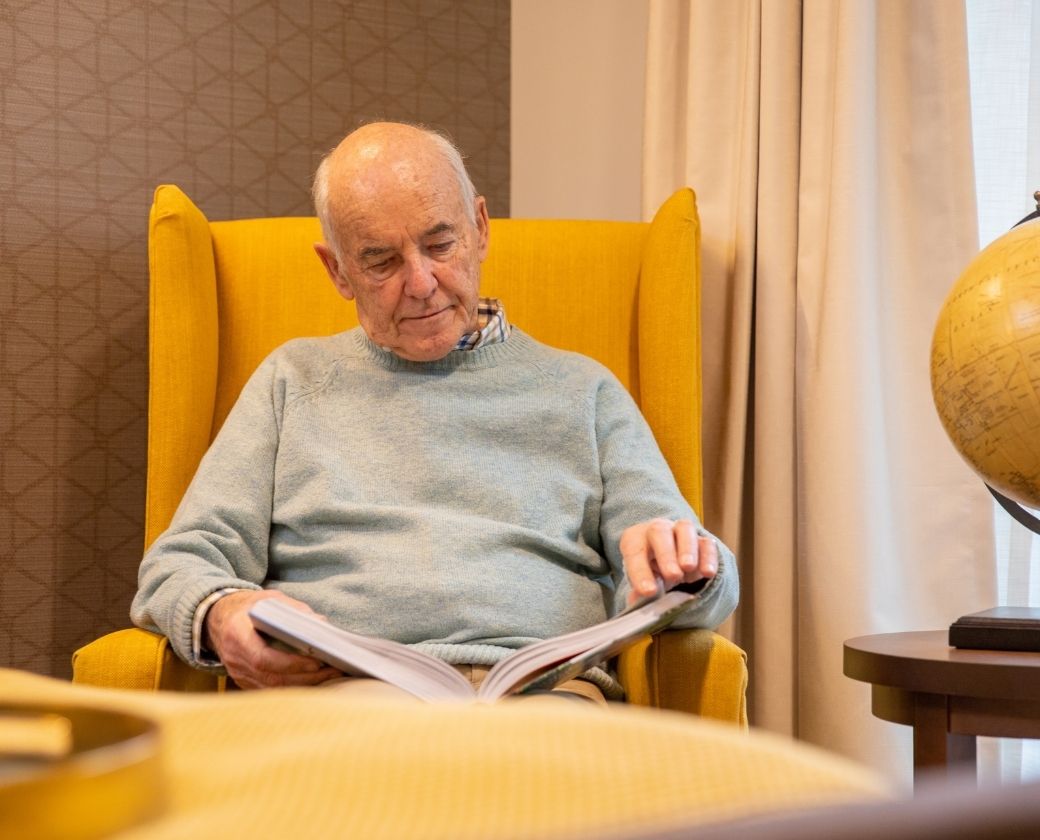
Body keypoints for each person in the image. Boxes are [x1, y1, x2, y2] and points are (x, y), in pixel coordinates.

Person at [131, 122, 739, 702]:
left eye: (440, 244)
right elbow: (178, 564)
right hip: (346, 693)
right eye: (381, 261)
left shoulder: (585, 390)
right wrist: (223, 612)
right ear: (337, 270)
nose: (421, 283)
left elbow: (708, 581)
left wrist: (682, 567)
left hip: (544, 694)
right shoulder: (291, 382)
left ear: (480, 228)